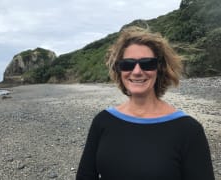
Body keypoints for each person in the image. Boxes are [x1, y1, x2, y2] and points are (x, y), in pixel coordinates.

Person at [76, 26, 215, 180]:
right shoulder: (103, 122)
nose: (136, 71)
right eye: (128, 64)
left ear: (159, 68)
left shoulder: (188, 130)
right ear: (119, 69)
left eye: (147, 63)